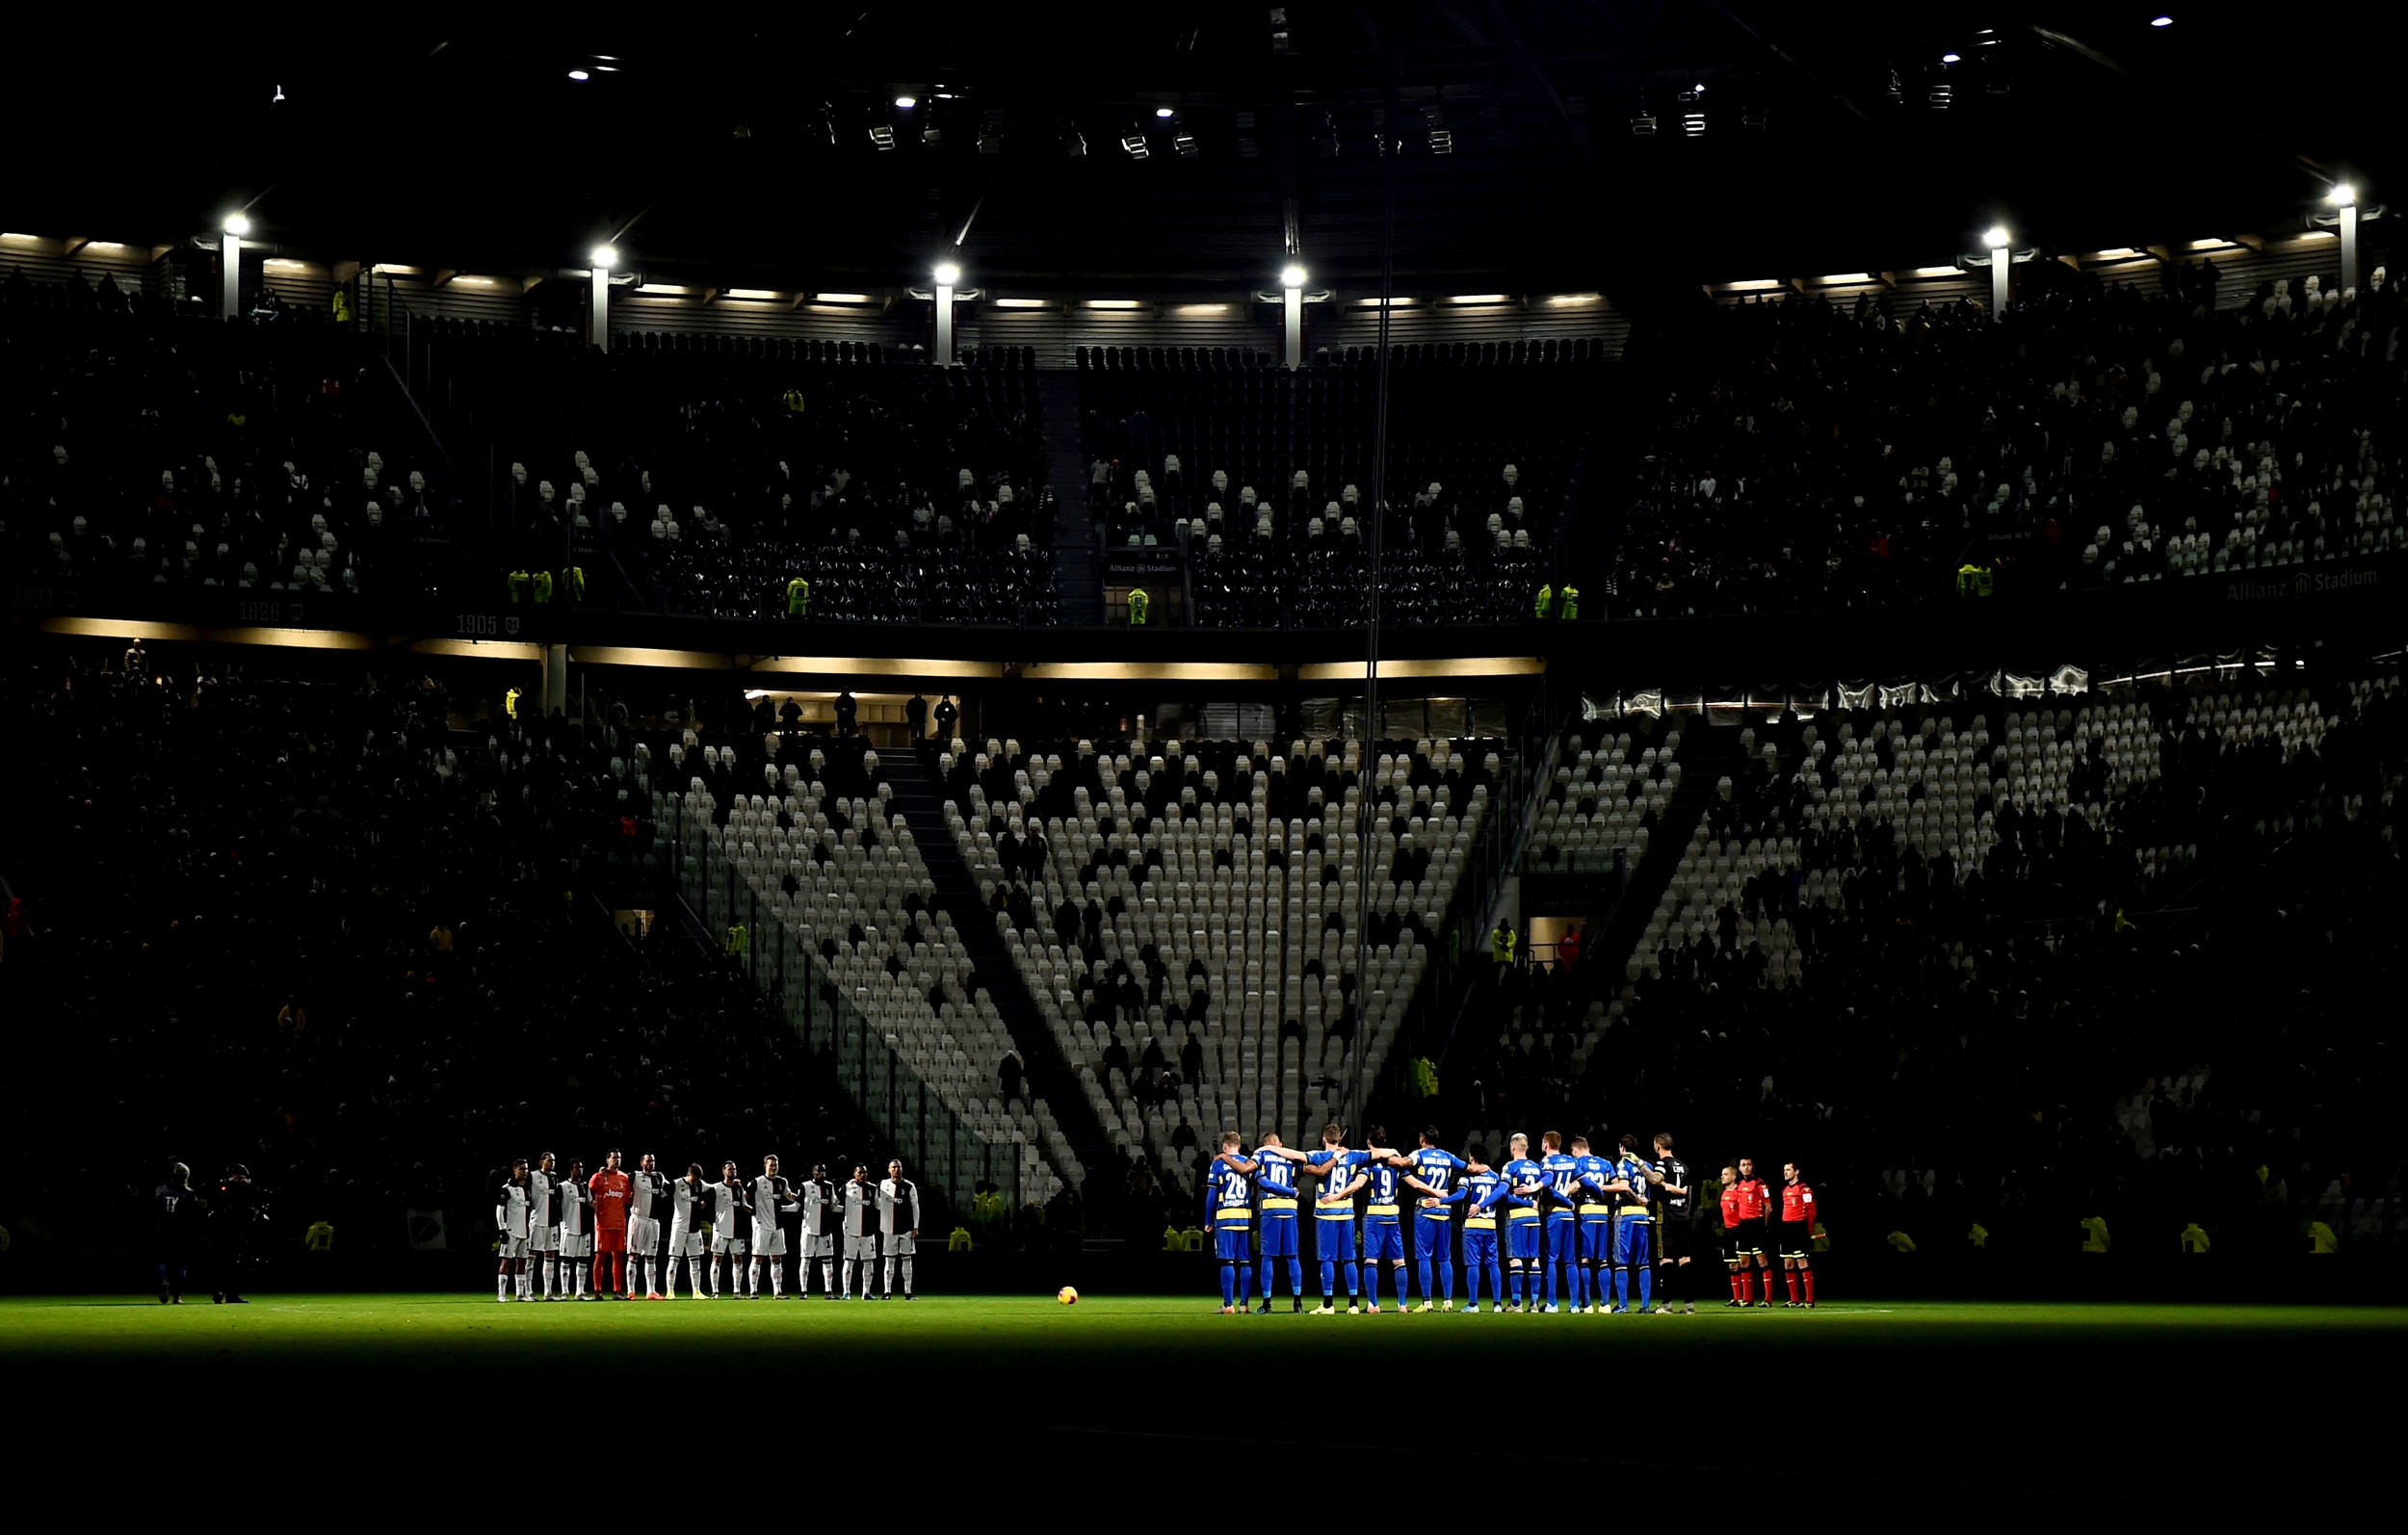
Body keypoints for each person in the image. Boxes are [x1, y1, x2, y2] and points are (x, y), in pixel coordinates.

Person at [1235, 1133, 1308, 1313]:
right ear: (1280, 1144)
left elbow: (1261, 1180)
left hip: (1270, 1209)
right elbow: (1308, 1167)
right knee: (1292, 1257)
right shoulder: (1291, 1157)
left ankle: (1267, 1303)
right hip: (1290, 1210)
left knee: (1268, 1257)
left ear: (1264, 1145)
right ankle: (1297, 1302)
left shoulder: (1261, 1156)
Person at [1302, 1123, 1371, 1314]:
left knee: (1327, 1259)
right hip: (1347, 1213)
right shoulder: (1354, 1155)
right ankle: (1354, 1304)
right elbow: (1376, 1154)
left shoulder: (1319, 1156)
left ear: (1324, 1139)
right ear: (1339, 1139)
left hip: (1326, 1214)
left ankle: (1328, 1304)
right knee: (1349, 1259)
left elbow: (1300, 1162)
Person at [1404, 1127, 1468, 1312]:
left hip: (1426, 1207)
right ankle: (1448, 1301)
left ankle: (1427, 1302)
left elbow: (1407, 1162)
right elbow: (1467, 1167)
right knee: (1444, 1257)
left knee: (1424, 1256)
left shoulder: (1419, 1154)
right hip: (1444, 1209)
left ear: (1422, 1139)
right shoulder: (1447, 1156)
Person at [1454, 1147, 1516, 1313]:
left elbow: (1461, 1196)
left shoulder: (1468, 1177)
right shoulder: (1495, 1176)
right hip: (1490, 1225)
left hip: (1473, 1225)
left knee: (1473, 1264)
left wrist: (1442, 1200)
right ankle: (1497, 1304)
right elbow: (1504, 1197)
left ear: (1472, 1158)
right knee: (1493, 1264)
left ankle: (1473, 1304)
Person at [1356, 1125, 1409, 1313]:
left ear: (1369, 1143)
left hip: (1373, 1215)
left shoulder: (1368, 1164)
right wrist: (1436, 1193)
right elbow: (1413, 1182)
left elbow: (1358, 1184)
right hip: (1392, 1215)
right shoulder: (1395, 1163)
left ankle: (1373, 1304)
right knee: (1399, 1261)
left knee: (1371, 1261)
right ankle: (1402, 1305)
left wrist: (1339, 1195)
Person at [1607, 1133, 1658, 1314]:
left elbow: (1623, 1187)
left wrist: (1601, 1187)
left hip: (1626, 1215)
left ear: (1622, 1147)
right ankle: (1645, 1306)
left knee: (1621, 1262)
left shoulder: (1622, 1164)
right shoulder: (1646, 1166)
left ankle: (1623, 1305)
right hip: (1643, 1217)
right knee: (1644, 1262)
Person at [1205, 1132, 1254, 1314]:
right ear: (1239, 1146)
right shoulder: (1249, 1163)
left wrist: (1208, 1220)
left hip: (1225, 1217)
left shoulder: (1218, 1163)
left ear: (1225, 1146)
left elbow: (1211, 1195)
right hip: (1245, 1216)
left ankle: (1228, 1304)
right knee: (1246, 1262)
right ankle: (1244, 1305)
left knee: (1227, 1261)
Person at [1501, 1133, 1547, 1313]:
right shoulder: (1537, 1167)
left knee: (1516, 1258)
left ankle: (1516, 1303)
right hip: (1534, 1218)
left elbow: (1505, 1195)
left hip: (1517, 1217)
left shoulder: (1510, 1166)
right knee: (1534, 1258)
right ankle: (1534, 1303)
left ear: (1513, 1147)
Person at [1571, 1133, 1617, 1314]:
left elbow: (1577, 1185)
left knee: (1585, 1259)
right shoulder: (1606, 1164)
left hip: (1586, 1212)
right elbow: (1618, 1185)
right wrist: (1603, 1190)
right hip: (1603, 1213)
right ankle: (1605, 1304)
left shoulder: (1578, 1164)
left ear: (1577, 1149)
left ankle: (1587, 1304)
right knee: (1603, 1260)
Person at [1538, 1131, 1583, 1314]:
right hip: (1569, 1216)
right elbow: (1580, 1183)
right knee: (1571, 1261)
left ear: (1546, 1144)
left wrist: (1563, 1198)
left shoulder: (1547, 1161)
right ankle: (1574, 1305)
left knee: (1551, 1259)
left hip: (1554, 1214)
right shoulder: (1572, 1161)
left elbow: (1547, 1188)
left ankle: (1552, 1304)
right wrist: (1568, 1192)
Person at [1651, 1134, 1696, 1314]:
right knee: (1685, 1259)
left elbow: (1658, 1181)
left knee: (1666, 1260)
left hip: (1667, 1217)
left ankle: (1666, 1304)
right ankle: (1689, 1304)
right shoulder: (1684, 1166)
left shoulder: (1662, 1164)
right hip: (1684, 1216)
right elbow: (1690, 1193)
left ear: (1658, 1146)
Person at [207, 1165, 263, 1304]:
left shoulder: (234, 1188)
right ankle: (224, 1293)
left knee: (231, 1264)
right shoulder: (227, 1188)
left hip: (234, 1230)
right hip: (227, 1230)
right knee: (227, 1263)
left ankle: (227, 1293)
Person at [154, 1161, 203, 1304]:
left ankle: (164, 1280)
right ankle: (177, 1295)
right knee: (181, 1265)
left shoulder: (160, 1191)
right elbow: (194, 1217)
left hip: (163, 1231)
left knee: (164, 1261)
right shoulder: (189, 1194)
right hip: (181, 1233)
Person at [751, 1155, 799, 1298]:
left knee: (777, 1259)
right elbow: (744, 1196)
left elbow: (789, 1195)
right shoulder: (757, 1182)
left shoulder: (782, 1182)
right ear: (765, 1166)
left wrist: (803, 1197)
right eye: (771, 1165)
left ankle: (777, 1291)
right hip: (762, 1225)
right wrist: (751, 1212)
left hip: (778, 1226)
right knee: (757, 1258)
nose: (773, 1168)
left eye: (775, 1165)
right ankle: (753, 1291)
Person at [1733, 1156, 1776, 1306]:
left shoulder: (1760, 1185)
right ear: (1739, 1168)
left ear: (1753, 1167)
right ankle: (1747, 1298)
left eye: (1749, 1164)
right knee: (1743, 1262)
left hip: (1756, 1224)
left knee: (1762, 1260)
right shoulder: (1738, 1185)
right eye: (1743, 1164)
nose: (1746, 1167)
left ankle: (1768, 1299)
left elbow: (1769, 1207)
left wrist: (1764, 1225)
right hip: (1743, 1225)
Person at [589, 1149, 632, 1299]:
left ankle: (617, 1290)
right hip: (603, 1224)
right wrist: (597, 1211)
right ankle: (597, 1290)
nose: (617, 1160)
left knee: (619, 1256)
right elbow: (588, 1195)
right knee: (600, 1256)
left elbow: (627, 1200)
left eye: (619, 1158)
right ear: (607, 1160)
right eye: (614, 1158)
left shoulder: (624, 1178)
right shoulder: (598, 1177)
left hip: (620, 1223)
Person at [878, 1159, 922, 1300]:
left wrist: (915, 1226)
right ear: (889, 1170)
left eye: (898, 1167)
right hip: (888, 1229)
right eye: (894, 1167)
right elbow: (872, 1196)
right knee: (889, 1261)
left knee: (907, 1260)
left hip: (906, 1229)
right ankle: (887, 1292)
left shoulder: (909, 1186)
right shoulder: (883, 1185)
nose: (896, 1169)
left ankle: (908, 1292)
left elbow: (915, 1207)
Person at [707, 1159, 752, 1298]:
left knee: (738, 1260)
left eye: (734, 1169)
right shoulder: (716, 1188)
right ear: (723, 1171)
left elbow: (744, 1206)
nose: (733, 1171)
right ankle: (715, 1291)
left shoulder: (739, 1188)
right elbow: (705, 1204)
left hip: (737, 1230)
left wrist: (758, 1211)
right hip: (720, 1229)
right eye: (730, 1169)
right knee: (717, 1259)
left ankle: (737, 1291)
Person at [628, 1153, 667, 1299]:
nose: (651, 1163)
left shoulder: (659, 1177)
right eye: (648, 1161)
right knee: (633, 1255)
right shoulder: (634, 1176)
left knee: (651, 1256)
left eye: (653, 1160)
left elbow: (669, 1189)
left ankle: (651, 1291)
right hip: (638, 1219)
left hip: (653, 1222)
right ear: (641, 1163)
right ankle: (630, 1291)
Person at [668, 1162, 710, 1298]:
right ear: (689, 1174)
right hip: (679, 1228)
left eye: (698, 1179)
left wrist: (704, 1204)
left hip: (694, 1229)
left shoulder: (700, 1185)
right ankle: (670, 1291)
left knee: (695, 1261)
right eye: (694, 1179)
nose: (695, 1182)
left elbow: (714, 1188)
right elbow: (663, 1190)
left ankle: (696, 1291)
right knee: (674, 1260)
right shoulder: (676, 1184)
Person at [1779, 1161, 1817, 1308]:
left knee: (1802, 1262)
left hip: (1799, 1227)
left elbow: (1811, 1211)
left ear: (1797, 1171)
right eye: (1784, 1170)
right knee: (1788, 1262)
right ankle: (1794, 1299)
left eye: (1788, 1170)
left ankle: (1809, 1300)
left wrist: (1809, 1230)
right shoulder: (1784, 1189)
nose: (1785, 1172)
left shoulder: (1804, 1189)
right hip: (1786, 1228)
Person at [799, 1163, 840, 1297]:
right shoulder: (805, 1186)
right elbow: (797, 1205)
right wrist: (781, 1208)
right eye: (818, 1171)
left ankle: (828, 1291)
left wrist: (849, 1209)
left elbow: (834, 1205)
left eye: (823, 1172)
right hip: (809, 1229)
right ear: (813, 1172)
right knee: (806, 1260)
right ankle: (804, 1291)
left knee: (828, 1260)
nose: (821, 1174)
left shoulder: (829, 1186)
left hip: (825, 1230)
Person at [841, 1165, 880, 1299]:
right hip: (851, 1231)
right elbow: (835, 1202)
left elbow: (878, 1205)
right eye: (860, 1172)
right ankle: (846, 1292)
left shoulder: (872, 1188)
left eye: (864, 1172)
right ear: (854, 1174)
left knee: (868, 1261)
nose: (862, 1175)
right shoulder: (847, 1188)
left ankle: (866, 1292)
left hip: (868, 1231)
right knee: (849, 1261)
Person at [496, 1158, 534, 1302]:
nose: (524, 1172)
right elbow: (499, 1210)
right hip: (511, 1231)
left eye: (526, 1169)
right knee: (506, 1261)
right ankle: (501, 1293)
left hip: (525, 1231)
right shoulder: (507, 1189)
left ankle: (520, 1293)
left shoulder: (527, 1189)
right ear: (515, 1170)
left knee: (522, 1262)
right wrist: (502, 1229)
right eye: (521, 1169)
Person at [558, 1158, 592, 1299]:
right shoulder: (563, 1186)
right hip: (568, 1228)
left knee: (583, 1260)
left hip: (584, 1229)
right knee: (565, 1260)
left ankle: (579, 1291)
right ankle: (565, 1291)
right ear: (571, 1170)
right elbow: (556, 1206)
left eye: (582, 1167)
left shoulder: (586, 1186)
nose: (580, 1170)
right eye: (577, 1167)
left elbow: (591, 1203)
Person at [528, 1151, 561, 1299]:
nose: (551, 1163)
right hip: (537, 1221)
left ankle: (548, 1291)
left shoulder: (554, 1177)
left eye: (553, 1160)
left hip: (552, 1223)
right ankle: (528, 1290)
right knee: (532, 1255)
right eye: (548, 1160)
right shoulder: (533, 1175)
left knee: (550, 1255)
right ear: (541, 1162)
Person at [1719, 1165, 1750, 1306]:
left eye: (1725, 1174)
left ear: (1733, 1176)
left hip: (1740, 1230)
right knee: (1732, 1265)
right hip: (1728, 1231)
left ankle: (1747, 1297)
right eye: (1722, 1174)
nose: (1722, 1176)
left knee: (1743, 1264)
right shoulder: (1724, 1193)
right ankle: (1736, 1298)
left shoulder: (1739, 1192)